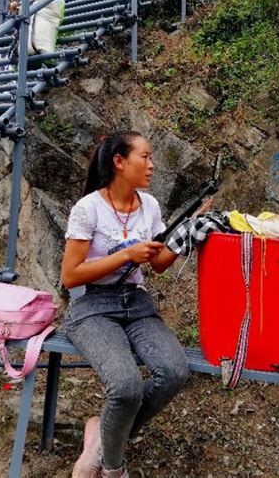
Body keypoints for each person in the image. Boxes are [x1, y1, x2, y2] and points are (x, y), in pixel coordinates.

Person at [61, 131, 190, 478]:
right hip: (93, 306)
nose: (152, 164)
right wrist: (126, 255)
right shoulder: (88, 208)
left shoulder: (150, 206)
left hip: (136, 303)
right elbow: (71, 276)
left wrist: (185, 236)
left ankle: (101, 444)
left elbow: (159, 264)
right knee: (126, 387)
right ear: (119, 162)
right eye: (145, 157)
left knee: (175, 372)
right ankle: (114, 470)